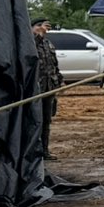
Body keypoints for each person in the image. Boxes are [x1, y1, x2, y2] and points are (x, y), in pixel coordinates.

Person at [31, 16, 62, 159]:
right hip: (35, 90)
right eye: (41, 26)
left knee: (46, 121)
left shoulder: (48, 43)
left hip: (49, 88)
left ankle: (44, 150)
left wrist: (59, 81)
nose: (45, 29)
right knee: (34, 121)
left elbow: (53, 65)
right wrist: (38, 35)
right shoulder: (30, 42)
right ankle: (32, 152)